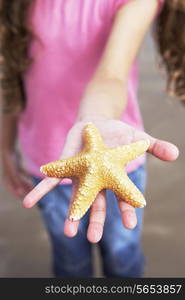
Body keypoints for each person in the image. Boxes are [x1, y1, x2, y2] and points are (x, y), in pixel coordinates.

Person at [0, 0, 180, 278]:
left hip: (118, 156)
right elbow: (12, 74)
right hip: (47, 162)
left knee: (123, 258)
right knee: (69, 262)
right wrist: (6, 147)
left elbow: (112, 76)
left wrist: (92, 121)